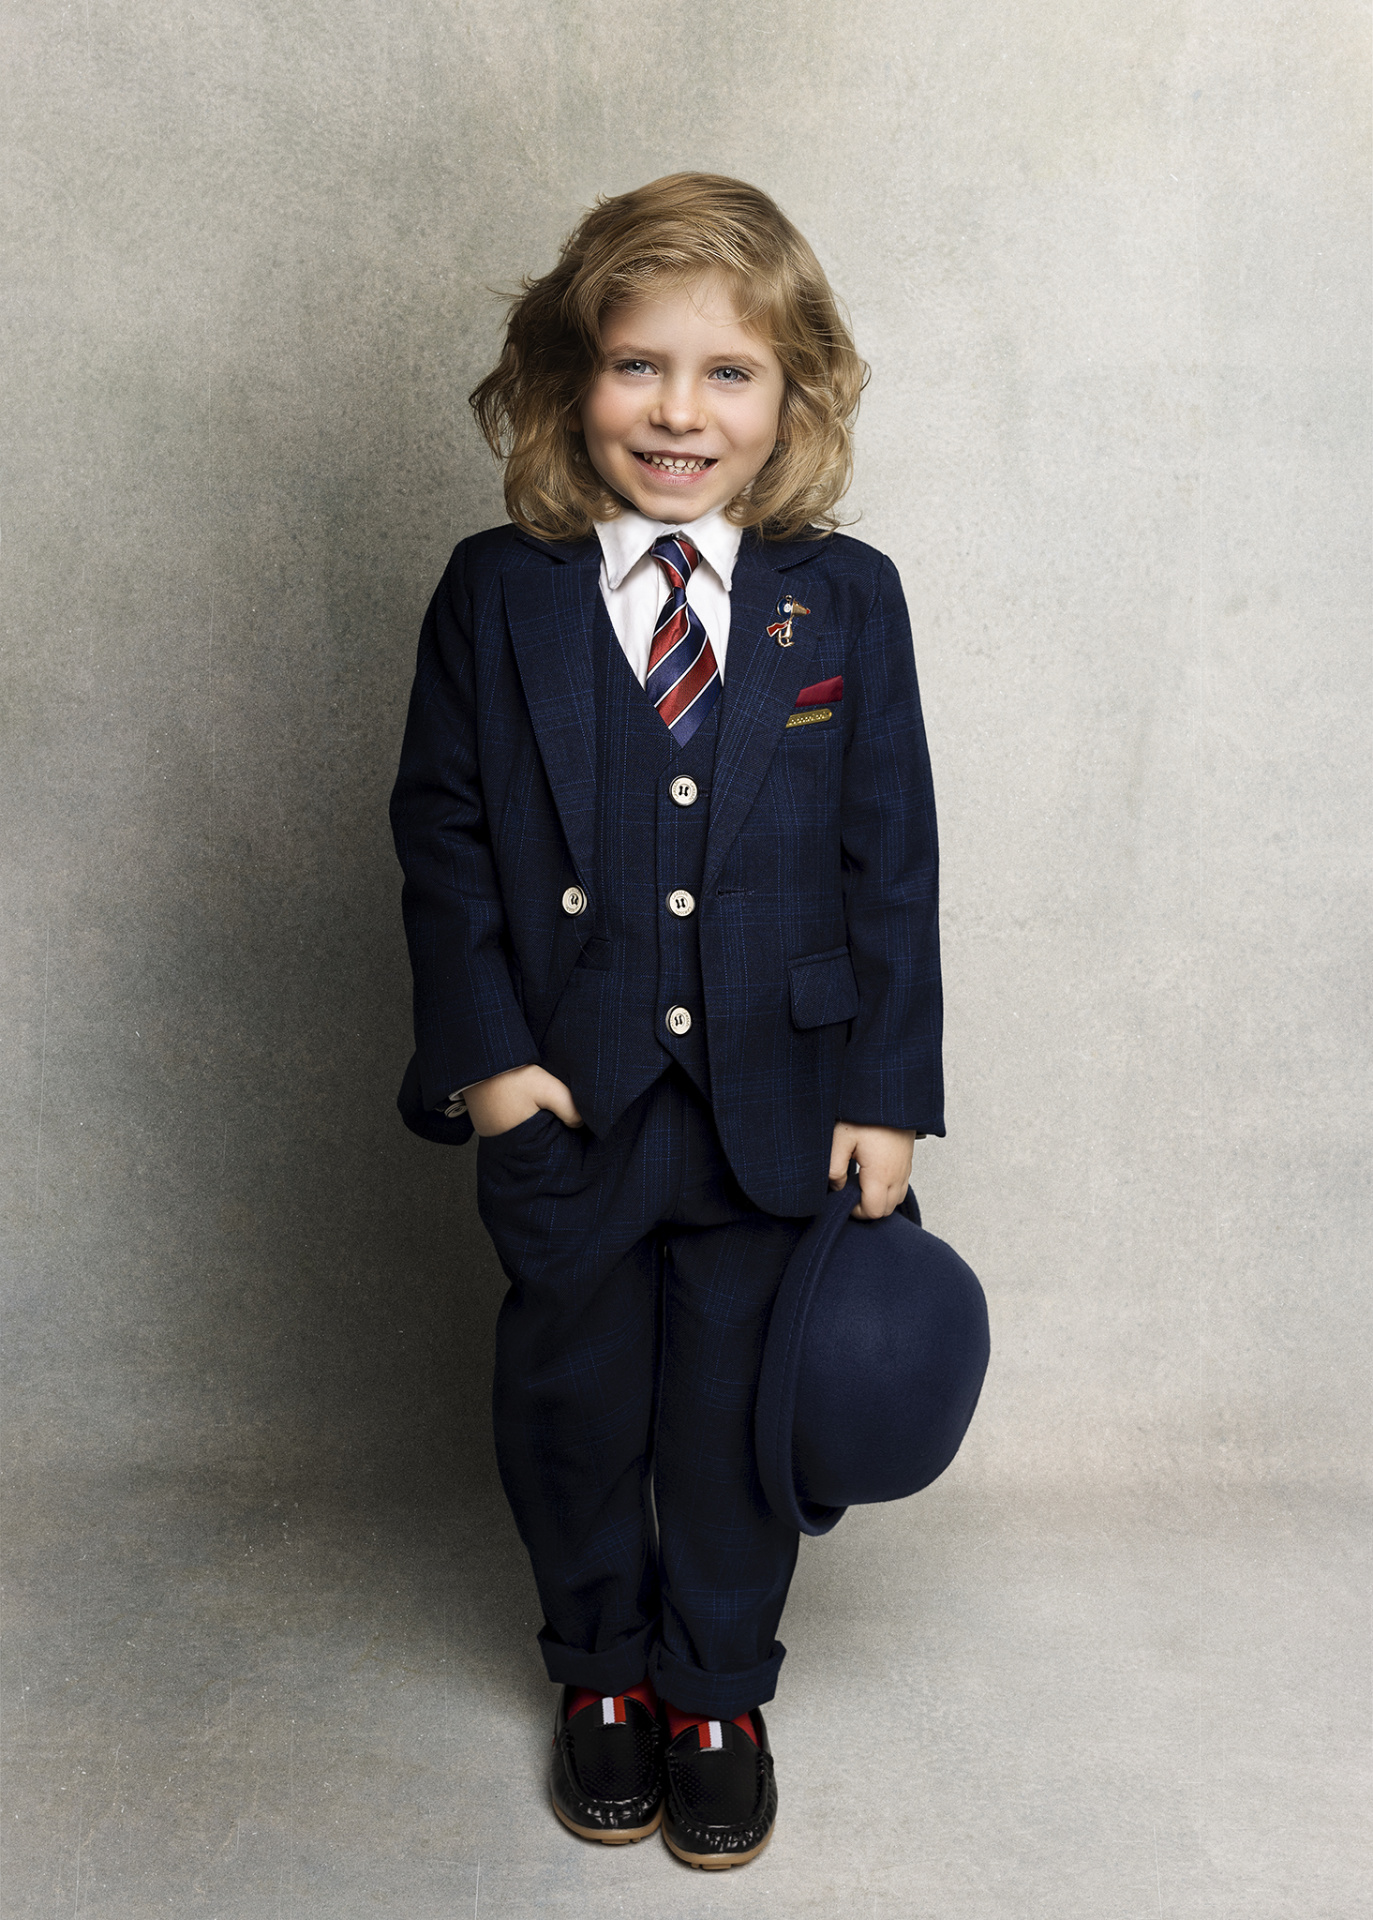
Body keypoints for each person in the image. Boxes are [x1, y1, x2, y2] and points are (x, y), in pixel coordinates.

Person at [390, 172, 943, 1869]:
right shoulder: (498, 592)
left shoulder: (842, 599)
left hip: (780, 1099)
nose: (678, 412)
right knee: (572, 1405)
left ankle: (713, 1689)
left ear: (794, 397)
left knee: (730, 1416)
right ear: (571, 383)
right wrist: (492, 1068)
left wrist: (886, 1093)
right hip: (568, 1095)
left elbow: (892, 858)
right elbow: (442, 838)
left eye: (728, 373)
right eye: (638, 366)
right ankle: (598, 1673)